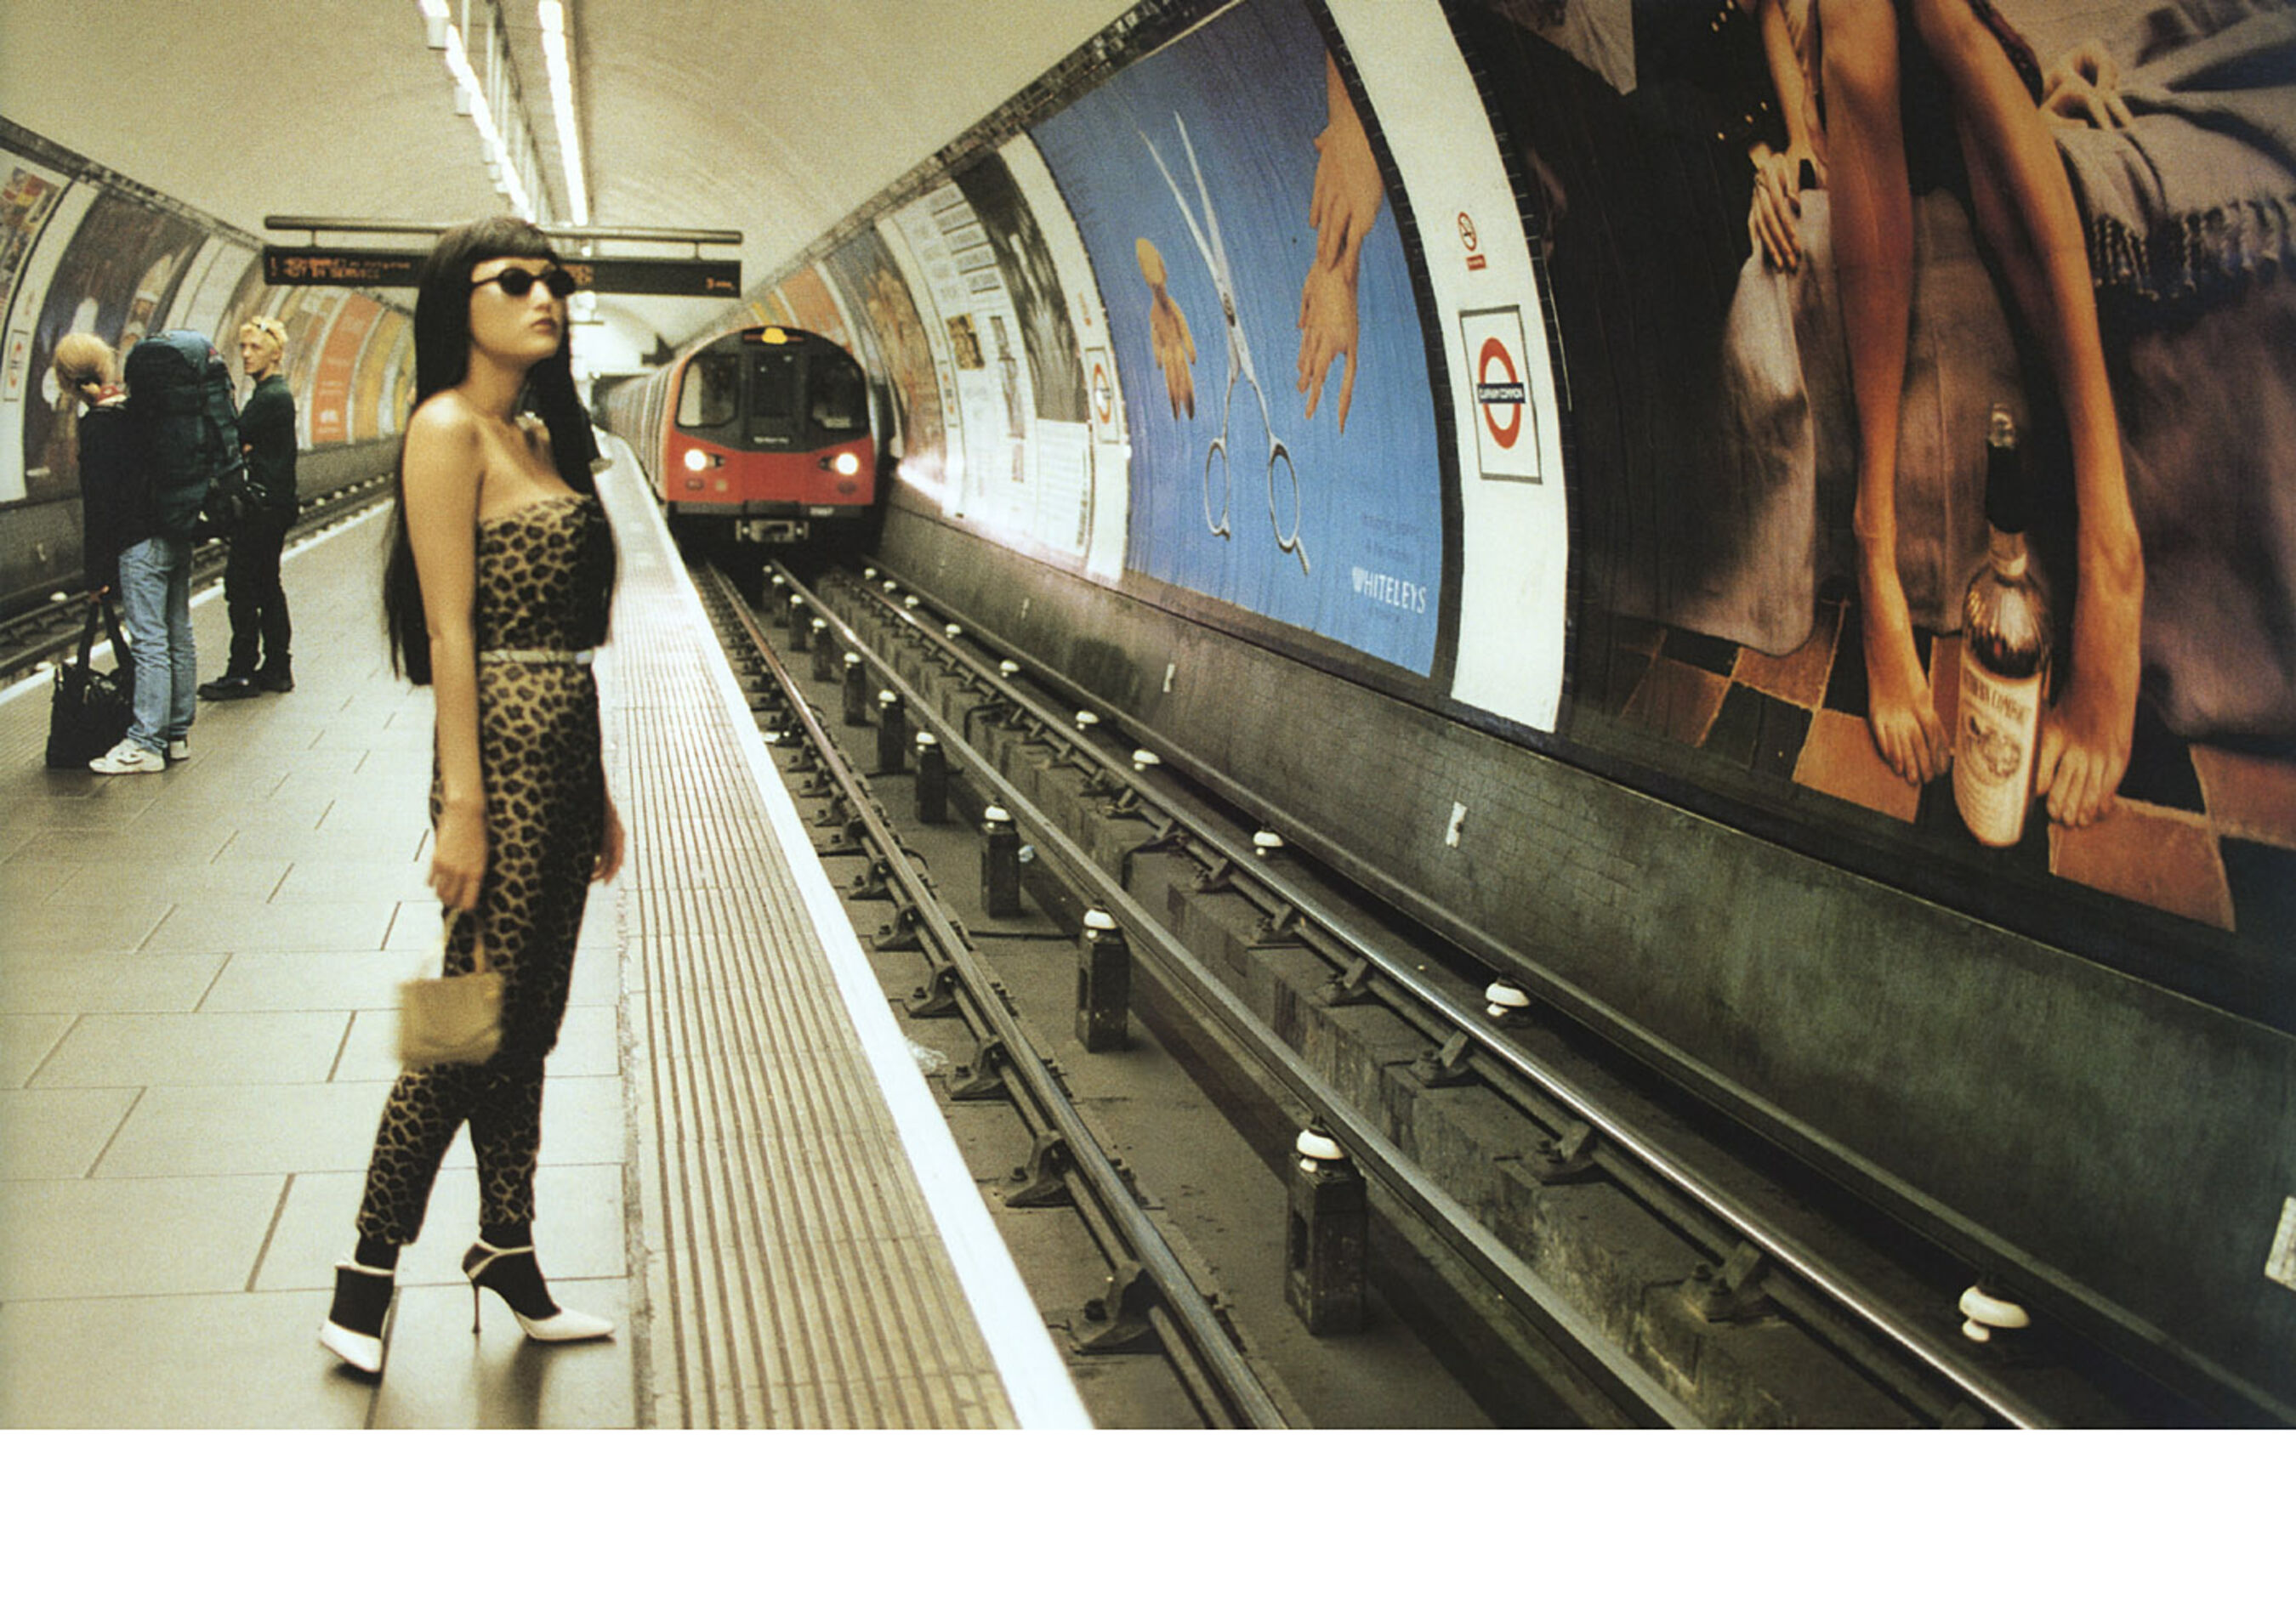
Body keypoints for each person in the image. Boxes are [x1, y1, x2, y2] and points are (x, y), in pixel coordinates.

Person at [319, 218, 625, 1376]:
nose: (546, 296)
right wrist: (463, 802)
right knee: (463, 1020)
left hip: (564, 742)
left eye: (556, 281)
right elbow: (451, 632)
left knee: (528, 1021)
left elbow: (570, 638)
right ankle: (365, 1273)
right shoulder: (446, 430)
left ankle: (508, 1246)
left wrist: (597, 791)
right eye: (517, 281)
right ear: (462, 302)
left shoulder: (536, 435)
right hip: (499, 748)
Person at [1745, 0, 2142, 827]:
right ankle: (1876, 544)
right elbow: (1802, 128)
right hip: (1874, 117)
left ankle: (2111, 547)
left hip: (1961, 62)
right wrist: (1776, 158)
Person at [54, 333, 193, 773]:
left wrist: (96, 575)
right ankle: (176, 735)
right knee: (178, 634)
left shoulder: (97, 425)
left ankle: (146, 744)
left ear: (66, 382)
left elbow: (99, 506)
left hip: (139, 544)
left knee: (149, 641)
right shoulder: (140, 409)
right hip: (175, 533)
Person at [199, 315, 298, 700]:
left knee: (240, 586)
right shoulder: (272, 393)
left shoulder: (272, 396)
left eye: (255, 347)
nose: (246, 354)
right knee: (267, 585)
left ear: (275, 354)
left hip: (262, 508)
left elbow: (233, 439)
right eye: (243, 347)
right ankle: (276, 668)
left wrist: (240, 443)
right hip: (275, 504)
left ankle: (241, 671)